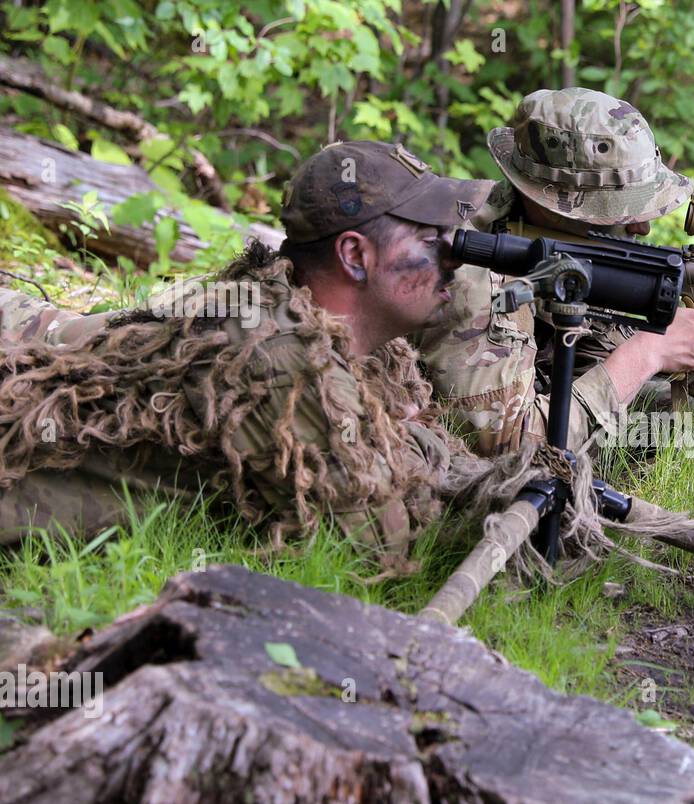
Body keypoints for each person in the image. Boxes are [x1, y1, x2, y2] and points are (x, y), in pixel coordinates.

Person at [0, 141, 495, 569]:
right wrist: (411, 449)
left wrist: (401, 447)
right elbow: (376, 541)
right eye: (431, 241)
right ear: (354, 256)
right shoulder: (277, 350)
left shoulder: (334, 336)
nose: (453, 258)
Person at [410, 87, 694, 455]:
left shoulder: (542, 236)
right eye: (618, 211)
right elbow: (511, 445)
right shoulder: (472, 271)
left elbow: (592, 384)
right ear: (551, 201)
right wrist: (646, 353)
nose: (640, 227)